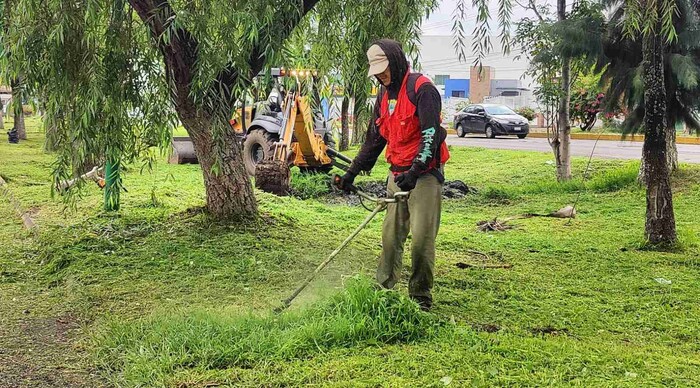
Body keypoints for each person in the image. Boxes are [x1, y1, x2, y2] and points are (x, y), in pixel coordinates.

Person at [337, 39, 450, 311]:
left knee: (422, 239)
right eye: (376, 71)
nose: (380, 75)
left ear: (397, 61)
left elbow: (431, 136)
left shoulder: (422, 90)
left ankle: (420, 297)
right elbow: (375, 140)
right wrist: (351, 172)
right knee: (390, 237)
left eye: (383, 68)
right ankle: (383, 290)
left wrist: (415, 171)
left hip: (424, 176)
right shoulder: (383, 96)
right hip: (397, 174)